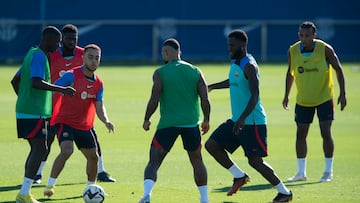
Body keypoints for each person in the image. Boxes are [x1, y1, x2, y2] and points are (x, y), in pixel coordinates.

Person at [205, 29, 293, 202]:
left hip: (252, 122)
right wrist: (212, 86)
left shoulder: (249, 66)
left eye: (232, 45)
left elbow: (255, 95)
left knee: (255, 161)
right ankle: (239, 176)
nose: (229, 48)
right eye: (228, 45)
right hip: (237, 119)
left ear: (242, 45)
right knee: (212, 145)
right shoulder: (236, 62)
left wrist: (243, 118)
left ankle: (284, 192)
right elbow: (234, 81)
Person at [33, 24, 116, 184]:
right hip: (55, 106)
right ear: (61, 40)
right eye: (68, 39)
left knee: (93, 142)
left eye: (74, 39)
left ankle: (100, 171)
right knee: (48, 140)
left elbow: (95, 87)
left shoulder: (83, 53)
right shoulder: (51, 54)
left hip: (82, 109)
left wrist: (105, 120)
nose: (71, 42)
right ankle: (38, 173)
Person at [138, 38, 211, 203]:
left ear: (165, 53)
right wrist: (206, 119)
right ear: (179, 53)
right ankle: (204, 199)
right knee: (197, 161)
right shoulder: (195, 71)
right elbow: (205, 99)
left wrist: (147, 119)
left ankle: (147, 194)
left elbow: (154, 99)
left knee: (154, 161)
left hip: (167, 125)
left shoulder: (160, 72)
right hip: (191, 124)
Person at [11, 26, 76, 203]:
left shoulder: (31, 53)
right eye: (57, 41)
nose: (58, 45)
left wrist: (25, 99)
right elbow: (36, 82)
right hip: (34, 113)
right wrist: (62, 89)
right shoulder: (39, 56)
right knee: (41, 149)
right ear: (48, 40)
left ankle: (24, 192)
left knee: (38, 149)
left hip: (27, 110)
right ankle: (24, 193)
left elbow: (15, 80)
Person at [282, 21, 347, 183]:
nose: (304, 39)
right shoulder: (293, 50)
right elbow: (290, 73)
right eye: (301, 35)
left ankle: (327, 171)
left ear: (314, 36)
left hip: (324, 97)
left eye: (307, 36)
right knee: (300, 134)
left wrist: (343, 93)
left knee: (325, 132)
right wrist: (286, 95)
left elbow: (338, 69)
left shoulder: (325, 49)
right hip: (303, 99)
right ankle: (301, 172)